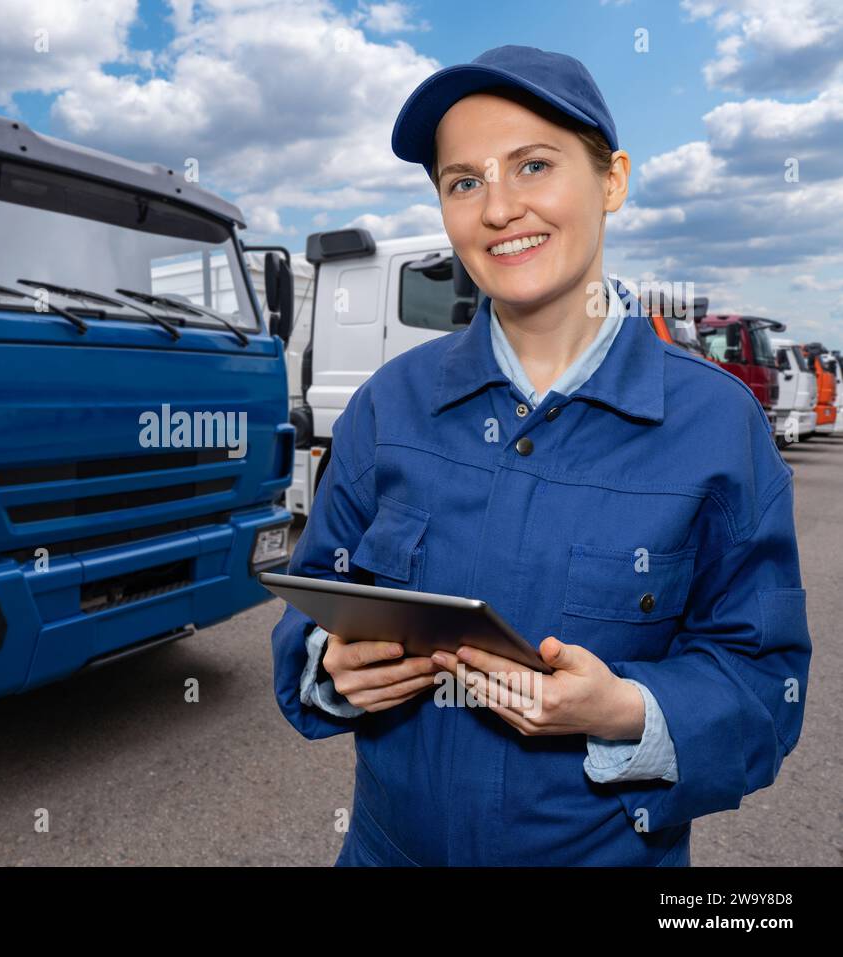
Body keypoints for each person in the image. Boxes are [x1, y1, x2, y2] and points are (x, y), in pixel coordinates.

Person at [269, 45, 811, 866]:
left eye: (532, 165)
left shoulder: (716, 426)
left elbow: (767, 687)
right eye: (464, 181)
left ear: (613, 180)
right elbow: (313, 608)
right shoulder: (391, 404)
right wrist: (328, 664)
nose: (498, 209)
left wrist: (627, 708)